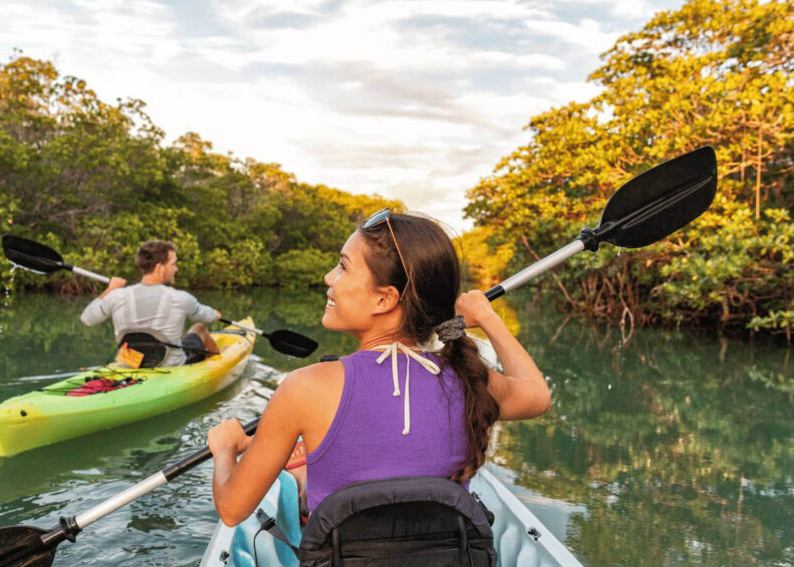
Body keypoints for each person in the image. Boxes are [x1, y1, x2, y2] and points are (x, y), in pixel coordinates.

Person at [206, 209, 551, 526]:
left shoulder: (304, 388)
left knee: (300, 475)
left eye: (342, 267)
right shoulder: (469, 379)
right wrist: (488, 318)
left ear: (384, 299)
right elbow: (537, 395)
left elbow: (233, 510)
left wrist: (225, 449)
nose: (329, 278)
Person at [80, 240, 221, 366]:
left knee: (179, 332)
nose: (176, 269)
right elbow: (207, 317)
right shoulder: (180, 298)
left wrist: (110, 290)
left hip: (129, 364)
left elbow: (87, 319)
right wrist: (215, 314)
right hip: (170, 365)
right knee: (199, 328)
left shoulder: (117, 295)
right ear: (159, 268)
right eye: (173, 264)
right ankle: (219, 362)